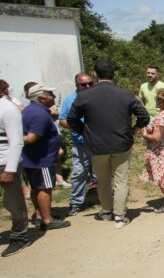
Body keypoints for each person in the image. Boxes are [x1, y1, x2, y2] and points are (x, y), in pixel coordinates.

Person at [67, 60, 150, 229]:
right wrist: (134, 129)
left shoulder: (84, 95)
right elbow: (144, 116)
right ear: (114, 74)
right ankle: (120, 217)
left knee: (103, 180)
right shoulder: (125, 94)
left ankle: (106, 211)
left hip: (96, 146)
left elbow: (71, 120)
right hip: (121, 143)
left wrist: (85, 131)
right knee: (121, 180)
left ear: (96, 75)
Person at [21, 84, 70, 231]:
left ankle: (39, 215)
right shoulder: (40, 115)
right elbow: (31, 138)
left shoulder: (30, 110)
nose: (54, 97)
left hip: (33, 158)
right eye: (50, 94)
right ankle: (47, 219)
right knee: (45, 188)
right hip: (42, 158)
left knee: (37, 187)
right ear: (41, 98)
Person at [58, 73, 96, 216]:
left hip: (100, 142)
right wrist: (78, 126)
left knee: (104, 172)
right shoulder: (69, 100)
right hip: (80, 143)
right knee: (79, 172)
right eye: (83, 84)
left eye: (90, 84)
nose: (87, 87)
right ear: (77, 85)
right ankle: (76, 202)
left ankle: (109, 199)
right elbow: (62, 120)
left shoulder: (98, 97)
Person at [0, 79, 30, 257]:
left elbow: (17, 141)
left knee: (13, 202)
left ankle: (20, 236)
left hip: (5, 162)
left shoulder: (8, 109)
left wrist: (10, 170)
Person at [140, 89, 164, 213]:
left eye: (157, 99)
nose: (155, 101)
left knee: (161, 174)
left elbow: (157, 138)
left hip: (160, 150)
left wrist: (145, 134)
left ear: (161, 102)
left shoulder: (162, 116)